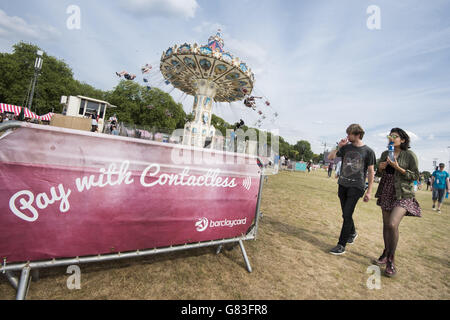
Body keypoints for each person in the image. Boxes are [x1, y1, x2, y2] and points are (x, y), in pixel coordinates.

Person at [373, 128, 421, 277]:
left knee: (393, 224)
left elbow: (415, 175)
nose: (392, 138)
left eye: (395, 136)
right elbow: (380, 173)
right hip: (387, 190)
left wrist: (398, 167)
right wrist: (379, 168)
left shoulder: (410, 155)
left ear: (403, 140)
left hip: (403, 193)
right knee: (386, 224)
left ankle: (391, 261)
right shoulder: (384, 153)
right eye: (390, 136)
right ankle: (386, 252)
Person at [327, 124, 376, 255]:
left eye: (350, 134)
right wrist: (339, 146)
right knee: (345, 214)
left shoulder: (368, 151)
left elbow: (371, 172)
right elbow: (330, 157)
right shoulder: (346, 148)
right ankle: (353, 232)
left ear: (358, 135)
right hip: (342, 184)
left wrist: (369, 191)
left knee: (347, 214)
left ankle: (341, 245)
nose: (347, 136)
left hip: (357, 186)